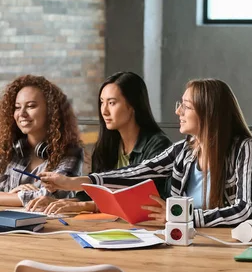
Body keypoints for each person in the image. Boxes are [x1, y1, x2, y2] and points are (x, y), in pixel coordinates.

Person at [40, 78, 252, 227]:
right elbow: (137, 172)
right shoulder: (184, 151)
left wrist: (184, 217)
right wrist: (76, 183)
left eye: (187, 106)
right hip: (186, 242)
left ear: (209, 112)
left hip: (229, 245)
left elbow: (246, 211)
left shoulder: (243, 148)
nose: (178, 110)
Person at [26, 71, 172, 214]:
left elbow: (142, 200)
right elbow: (93, 193)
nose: (104, 111)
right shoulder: (107, 145)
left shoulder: (158, 146)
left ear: (132, 106)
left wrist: (86, 205)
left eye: (112, 103)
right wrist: (62, 202)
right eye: (102, 102)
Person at [0, 75, 82, 207]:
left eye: (31, 106)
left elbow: (48, 196)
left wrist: (10, 196)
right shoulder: (8, 148)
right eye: (17, 107)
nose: (22, 113)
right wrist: (12, 196)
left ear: (50, 111)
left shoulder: (71, 152)